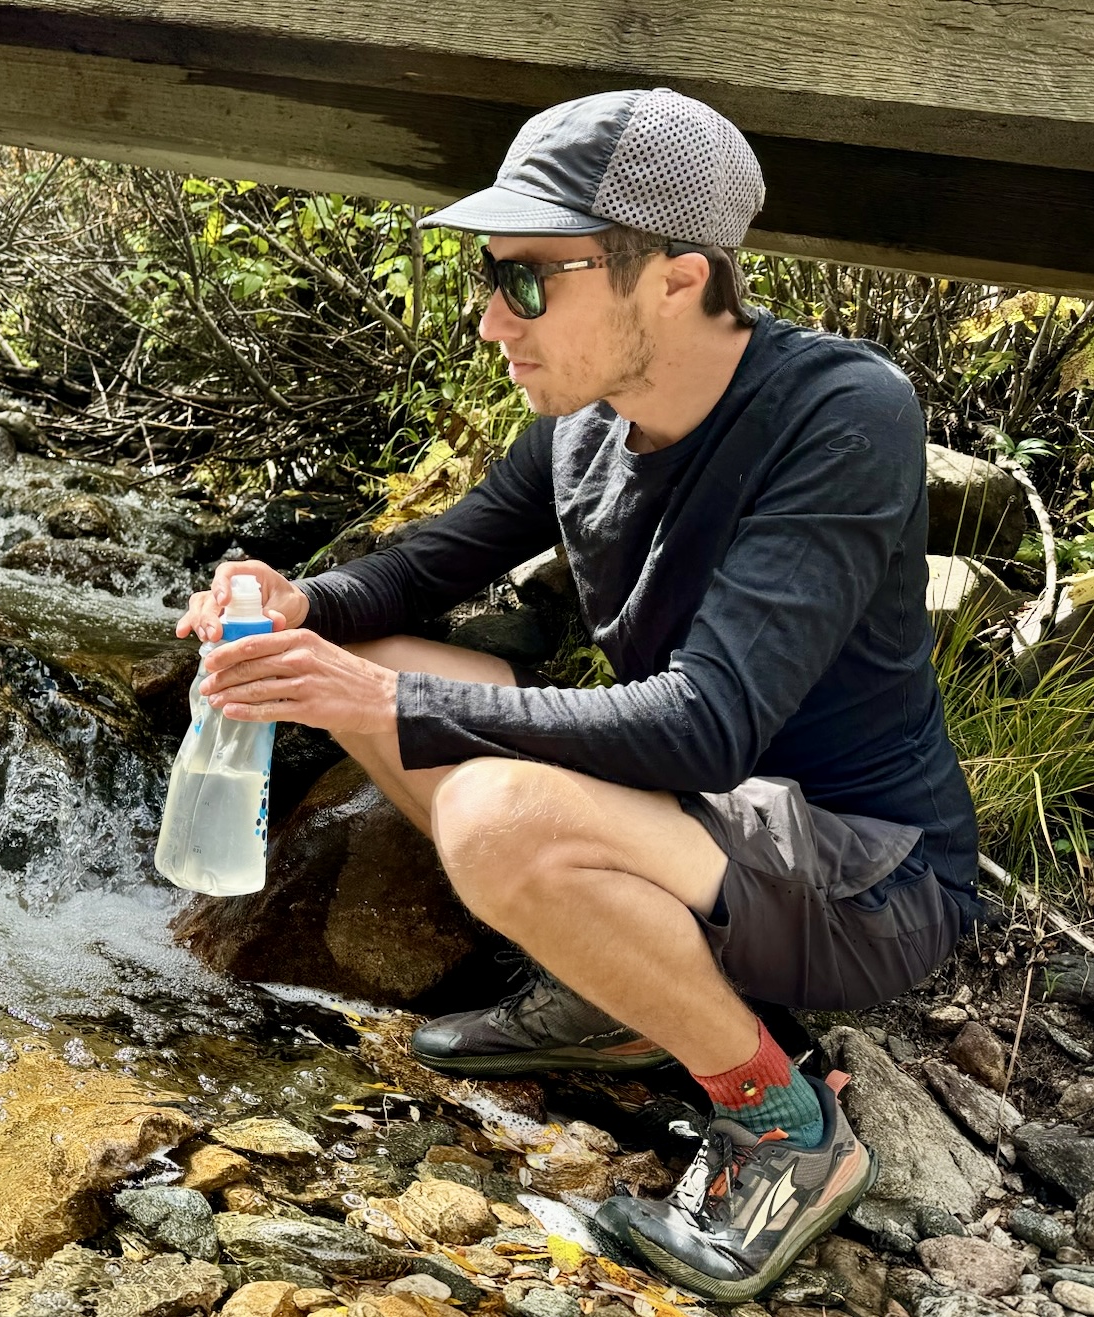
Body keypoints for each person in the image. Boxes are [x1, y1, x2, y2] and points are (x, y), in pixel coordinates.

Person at [172, 88, 982, 1301]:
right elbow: (420, 568)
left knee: (487, 803)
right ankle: (617, 998)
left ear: (676, 277)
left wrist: (371, 706)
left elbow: (705, 722)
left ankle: (782, 1126)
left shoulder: (840, 413)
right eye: (487, 277)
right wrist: (299, 607)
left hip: (868, 874)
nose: (492, 319)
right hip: (695, 830)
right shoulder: (580, 428)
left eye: (529, 279)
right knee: (395, 665)